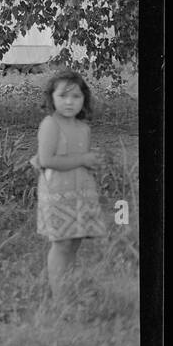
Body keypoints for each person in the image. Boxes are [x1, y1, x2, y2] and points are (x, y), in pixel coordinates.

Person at [30, 70, 107, 302]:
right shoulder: (50, 124)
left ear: (84, 99)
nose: (69, 102)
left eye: (76, 97)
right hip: (56, 194)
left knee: (74, 242)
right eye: (63, 96)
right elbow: (46, 160)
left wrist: (91, 162)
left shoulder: (84, 128)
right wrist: (82, 160)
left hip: (80, 193)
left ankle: (68, 290)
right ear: (51, 98)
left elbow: (78, 160)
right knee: (61, 243)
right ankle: (60, 299)